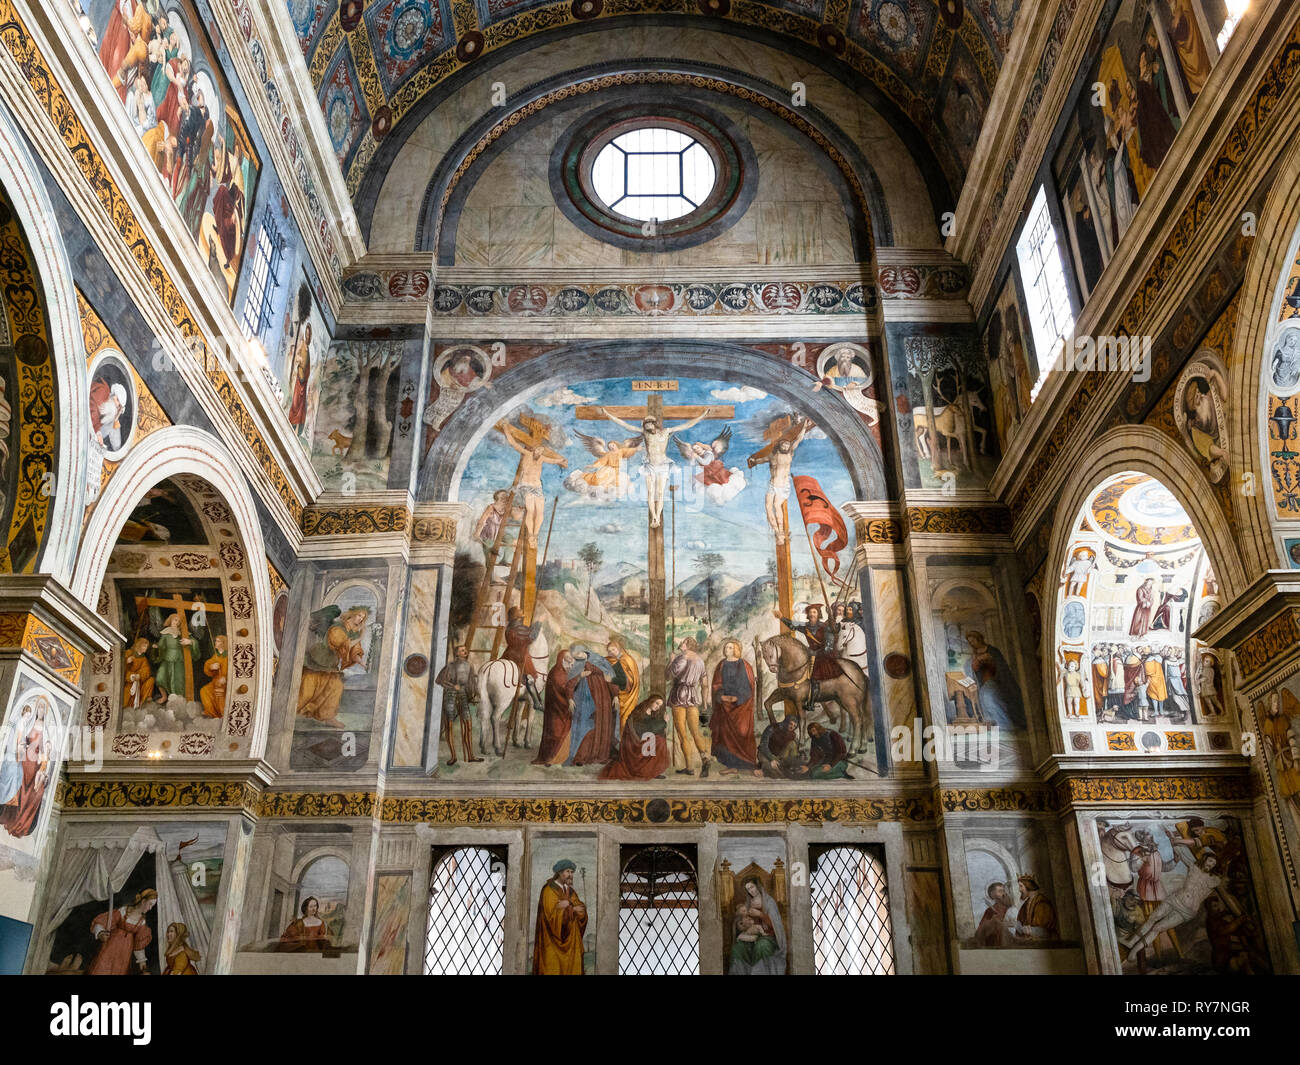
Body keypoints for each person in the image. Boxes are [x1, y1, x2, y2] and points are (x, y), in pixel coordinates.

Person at [594, 405, 717, 529]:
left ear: (654, 423)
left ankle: (658, 517)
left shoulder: (666, 431)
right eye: (645, 424)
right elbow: (625, 425)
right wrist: (608, 414)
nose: (646, 426)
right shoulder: (645, 434)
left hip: (663, 465)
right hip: (650, 466)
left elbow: (686, 425)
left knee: (660, 492)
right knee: (650, 492)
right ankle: (653, 517)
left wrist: (702, 415)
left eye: (648, 424)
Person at [496, 419, 568, 546]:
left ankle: (535, 535)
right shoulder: (527, 454)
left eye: (541, 451)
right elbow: (513, 443)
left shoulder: (541, 459)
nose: (539, 452)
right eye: (538, 450)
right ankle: (530, 534)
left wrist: (562, 460)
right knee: (531, 510)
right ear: (534, 449)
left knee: (540, 512)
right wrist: (506, 429)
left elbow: (554, 460)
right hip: (526, 486)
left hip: (537, 487)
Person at [297, 605, 368, 727]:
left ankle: (328, 716)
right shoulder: (337, 627)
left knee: (336, 686)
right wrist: (361, 637)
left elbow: (354, 651)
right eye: (359, 615)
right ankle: (294, 709)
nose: (360, 619)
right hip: (320, 658)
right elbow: (342, 645)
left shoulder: (354, 633)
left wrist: (361, 662)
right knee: (308, 688)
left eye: (363, 617)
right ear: (352, 614)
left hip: (331, 663)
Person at [749, 416, 811, 545]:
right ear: (779, 445)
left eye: (787, 444)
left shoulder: (789, 454)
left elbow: (798, 440)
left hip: (782, 486)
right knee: (767, 507)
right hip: (772, 484)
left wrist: (804, 427)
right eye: (783, 444)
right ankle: (776, 531)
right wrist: (753, 460)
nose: (786, 445)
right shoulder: (772, 456)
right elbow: (760, 460)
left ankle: (781, 532)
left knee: (777, 506)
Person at [0, 697, 51, 839]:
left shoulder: (45, 729)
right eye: (39, 707)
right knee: (17, 783)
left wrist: (43, 760)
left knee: (35, 791)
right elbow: (21, 739)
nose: (40, 710)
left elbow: (45, 748)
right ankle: (10, 817)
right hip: (24, 760)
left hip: (35, 763)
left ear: (45, 711)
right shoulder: (28, 724)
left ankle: (22, 822)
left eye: (43, 708)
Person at [710, 640, 757, 773]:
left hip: (741, 706)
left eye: (730, 647)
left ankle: (748, 764)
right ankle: (731, 766)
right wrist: (721, 696)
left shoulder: (744, 664)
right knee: (726, 736)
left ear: (736, 649)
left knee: (742, 732)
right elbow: (717, 684)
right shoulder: (722, 664)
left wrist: (738, 698)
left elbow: (748, 685)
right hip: (725, 706)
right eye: (726, 647)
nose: (727, 650)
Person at [565, 645, 617, 767]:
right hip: (585, 698)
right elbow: (570, 682)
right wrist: (570, 697)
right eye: (575, 656)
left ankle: (601, 755)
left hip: (603, 697)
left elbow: (610, 677)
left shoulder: (599, 660)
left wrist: (615, 695)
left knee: (602, 724)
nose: (578, 657)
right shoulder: (578, 664)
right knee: (585, 726)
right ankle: (581, 757)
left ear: (583, 650)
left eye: (578, 654)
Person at [533, 859, 587, 975]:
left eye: (572, 872)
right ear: (559, 872)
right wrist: (571, 909)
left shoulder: (570, 891)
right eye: (568, 871)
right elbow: (549, 917)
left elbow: (580, 907)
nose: (570, 875)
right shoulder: (548, 890)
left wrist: (575, 909)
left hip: (572, 941)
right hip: (552, 941)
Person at [964, 631, 1027, 729]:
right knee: (984, 698)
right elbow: (974, 669)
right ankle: (995, 724)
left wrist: (987, 661)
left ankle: (1004, 724)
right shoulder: (974, 654)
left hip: (996, 681)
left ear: (978, 639)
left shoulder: (992, 651)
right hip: (983, 682)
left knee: (989, 698)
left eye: (973, 641)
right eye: (970, 642)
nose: (972, 643)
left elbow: (1000, 666)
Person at [667, 638, 711, 776]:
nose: (680, 643)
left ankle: (690, 767)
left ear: (687, 645)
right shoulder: (700, 661)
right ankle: (705, 759)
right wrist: (704, 702)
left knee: (682, 734)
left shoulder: (681, 658)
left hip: (679, 695)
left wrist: (671, 660)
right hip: (692, 697)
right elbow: (704, 684)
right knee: (695, 732)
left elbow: (669, 675)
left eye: (683, 642)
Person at [599, 697, 669, 781]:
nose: (658, 707)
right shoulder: (639, 712)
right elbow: (644, 730)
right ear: (651, 700)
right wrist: (663, 722)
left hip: (643, 740)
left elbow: (651, 729)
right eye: (657, 703)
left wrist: (661, 724)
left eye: (659, 706)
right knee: (659, 741)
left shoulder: (652, 713)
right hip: (634, 745)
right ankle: (645, 771)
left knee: (660, 740)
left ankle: (652, 771)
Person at [89, 888, 157, 975]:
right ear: (143, 901)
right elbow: (102, 922)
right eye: (150, 904)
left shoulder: (142, 922)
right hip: (110, 946)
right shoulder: (124, 911)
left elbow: (138, 945)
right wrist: (101, 933)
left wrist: (142, 961)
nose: (150, 908)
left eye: (152, 906)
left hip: (124, 953)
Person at [729, 876, 786, 975]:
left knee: (761, 946)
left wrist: (760, 915)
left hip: (768, 937)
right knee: (737, 949)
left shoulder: (769, 902)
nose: (751, 891)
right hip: (751, 935)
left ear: (757, 886)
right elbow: (742, 919)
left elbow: (776, 925)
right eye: (748, 889)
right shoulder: (747, 903)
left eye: (752, 887)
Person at [435, 645, 480, 765]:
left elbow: (471, 682)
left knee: (468, 725)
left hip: (463, 695)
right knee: (449, 726)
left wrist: (475, 694)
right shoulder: (450, 666)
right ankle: (453, 756)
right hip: (450, 696)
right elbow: (439, 680)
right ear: (457, 653)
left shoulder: (469, 666)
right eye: (462, 650)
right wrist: (452, 686)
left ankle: (470, 755)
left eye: (465, 650)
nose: (465, 651)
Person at [773, 604, 842, 681]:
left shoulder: (826, 627)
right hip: (811, 654)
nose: (812, 614)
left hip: (825, 656)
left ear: (818, 614)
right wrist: (781, 618)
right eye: (810, 612)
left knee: (815, 679)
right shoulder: (806, 626)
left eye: (814, 612)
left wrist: (814, 653)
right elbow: (793, 624)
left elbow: (828, 648)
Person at [534, 649, 578, 766]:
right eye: (568, 656)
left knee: (565, 731)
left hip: (563, 708)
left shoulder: (566, 669)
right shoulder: (556, 672)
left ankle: (563, 757)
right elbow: (562, 688)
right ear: (562, 658)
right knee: (555, 732)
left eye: (570, 656)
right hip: (556, 708)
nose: (570, 658)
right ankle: (550, 758)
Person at [151, 612, 197, 702]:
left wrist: (190, 642)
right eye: (175, 620)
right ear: (171, 620)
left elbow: (194, 642)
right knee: (160, 677)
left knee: (178, 681)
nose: (177, 622)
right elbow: (161, 645)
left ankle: (178, 701)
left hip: (179, 659)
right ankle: (164, 696)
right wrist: (157, 647)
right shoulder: (166, 633)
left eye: (179, 621)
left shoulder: (183, 633)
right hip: (167, 658)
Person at [1014, 875, 1058, 940]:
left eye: (1021, 886)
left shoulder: (1042, 903)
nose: (1019, 890)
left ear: (1028, 886)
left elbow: (1044, 931)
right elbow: (1020, 925)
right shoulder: (1025, 904)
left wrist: (1030, 930)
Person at [974, 882, 1014, 947]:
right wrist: (992, 922)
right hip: (996, 941)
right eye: (1000, 891)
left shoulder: (1009, 908)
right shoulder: (989, 911)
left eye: (1003, 891)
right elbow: (981, 929)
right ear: (992, 894)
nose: (1003, 894)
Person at [198, 634, 228, 719]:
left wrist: (226, 678)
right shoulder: (216, 656)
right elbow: (207, 665)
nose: (215, 642)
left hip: (225, 683)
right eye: (216, 641)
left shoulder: (228, 657)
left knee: (219, 690)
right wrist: (211, 667)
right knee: (204, 690)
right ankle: (211, 712)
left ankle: (223, 714)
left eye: (218, 641)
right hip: (215, 682)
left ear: (223, 643)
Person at [123, 636, 155, 710]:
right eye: (144, 646)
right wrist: (126, 661)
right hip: (128, 679)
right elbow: (120, 666)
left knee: (151, 680)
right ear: (139, 645)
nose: (145, 648)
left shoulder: (144, 659)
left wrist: (139, 675)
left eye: (146, 647)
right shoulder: (129, 652)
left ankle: (142, 702)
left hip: (138, 681)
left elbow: (146, 671)